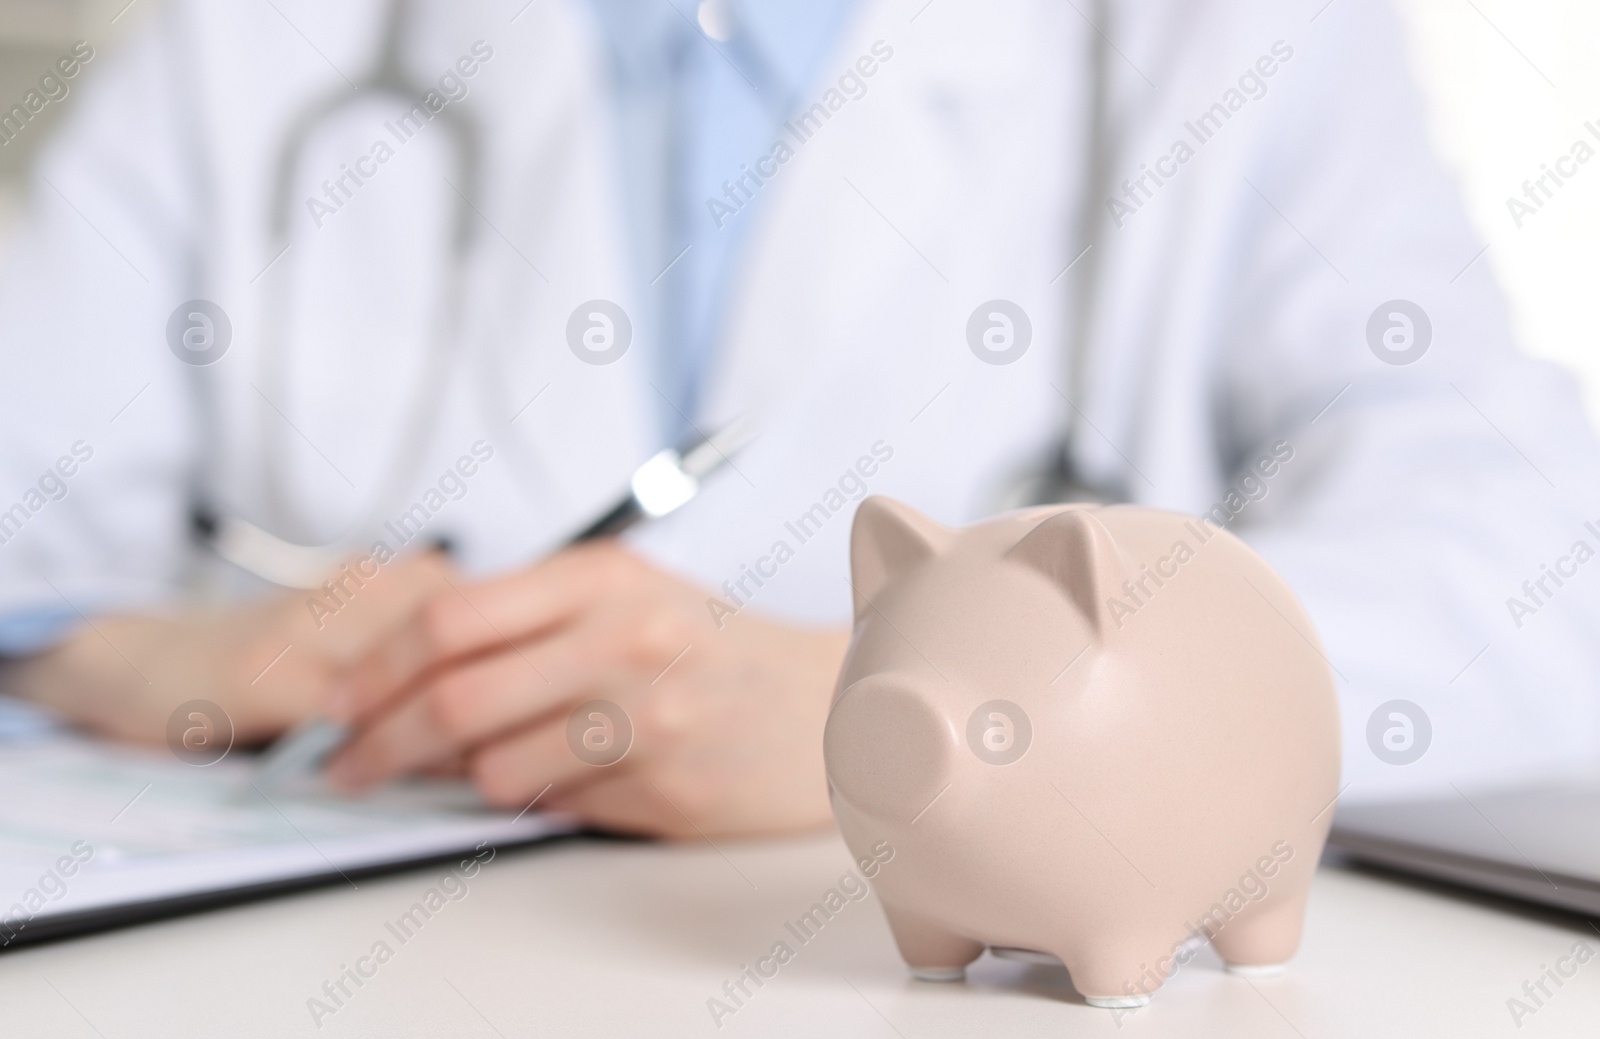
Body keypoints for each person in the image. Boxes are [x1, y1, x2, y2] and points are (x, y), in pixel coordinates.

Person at [0, 0, 1596, 839]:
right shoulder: (258, 38)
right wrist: (109, 647)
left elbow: (1535, 572)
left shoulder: (1231, 36)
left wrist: (931, 705)